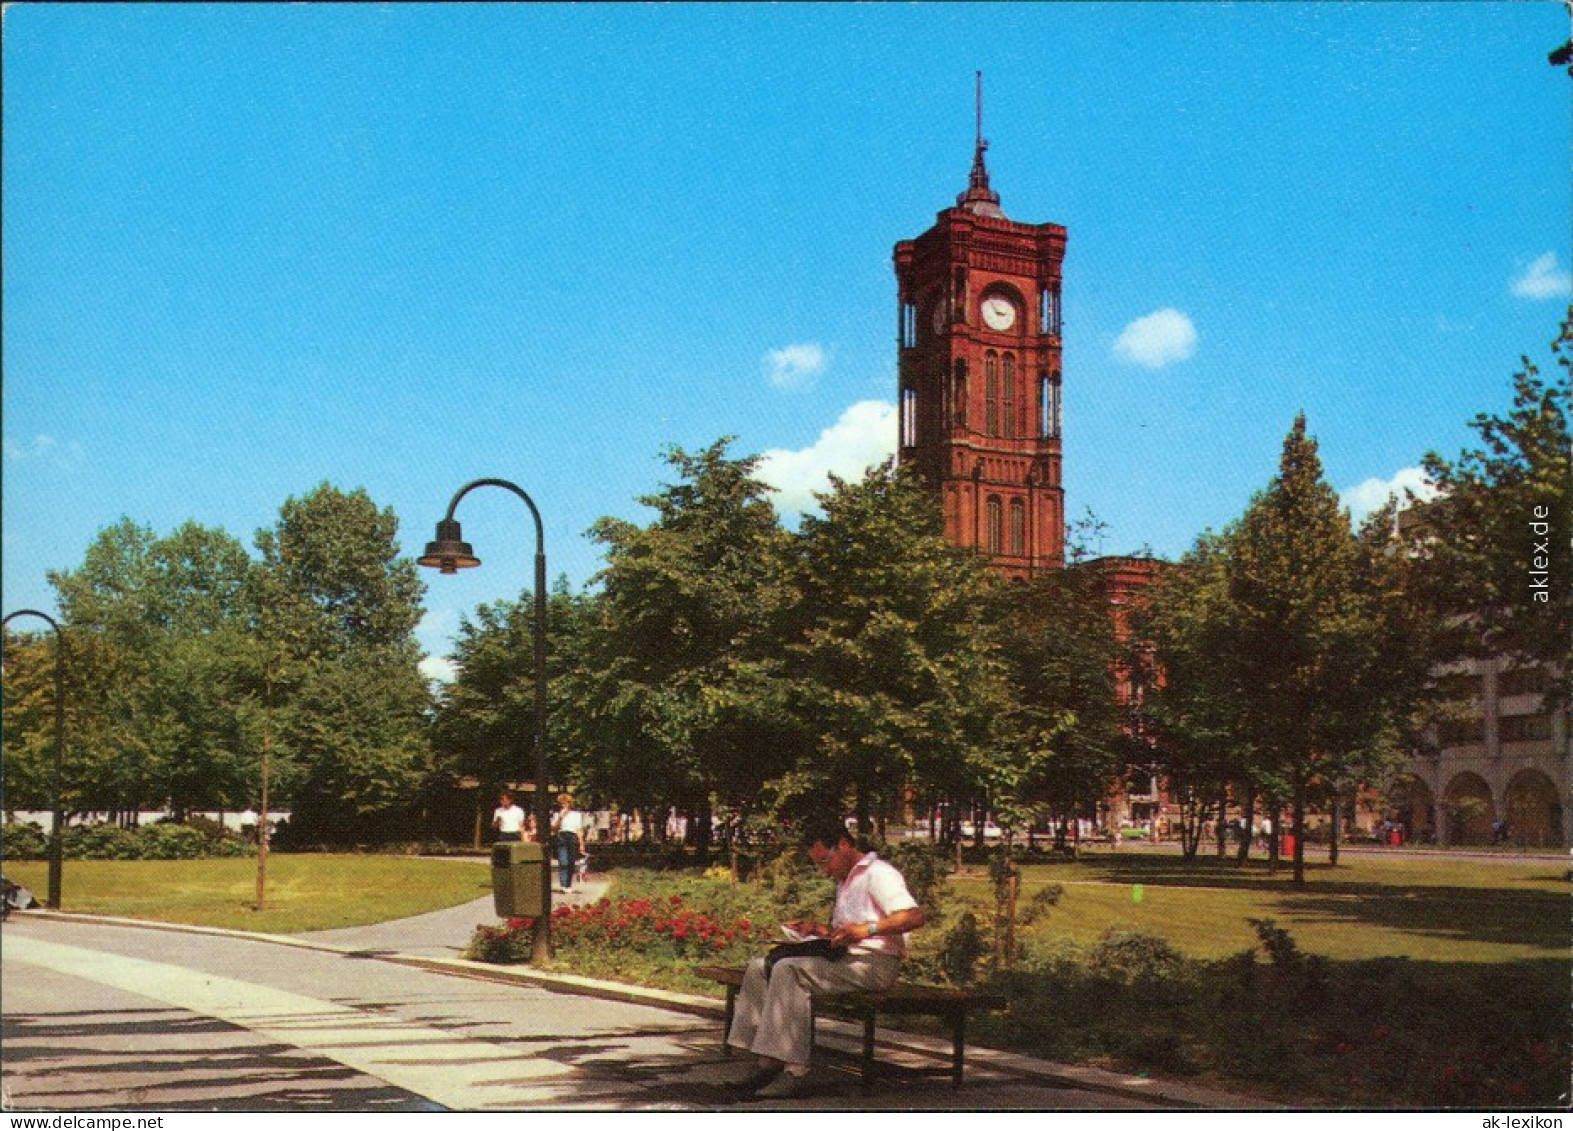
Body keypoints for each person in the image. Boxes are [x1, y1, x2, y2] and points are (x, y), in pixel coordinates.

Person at [725, 815, 925, 1099]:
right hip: (846, 959)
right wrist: (817, 931)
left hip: (875, 965)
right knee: (760, 966)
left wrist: (866, 929)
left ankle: (794, 1071)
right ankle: (765, 1061)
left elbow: (915, 916)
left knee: (789, 970)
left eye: (824, 861)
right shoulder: (845, 881)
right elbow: (847, 932)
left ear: (843, 844)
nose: (823, 870)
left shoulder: (878, 873)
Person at [551, 794, 586, 891]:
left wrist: (581, 844)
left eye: (565, 803)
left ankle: (568, 884)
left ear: (569, 804)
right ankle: (563, 884)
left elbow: (579, 830)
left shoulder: (576, 815)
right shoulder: (557, 814)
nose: (563, 805)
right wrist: (560, 818)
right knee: (563, 861)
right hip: (562, 836)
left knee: (571, 861)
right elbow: (554, 828)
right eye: (561, 804)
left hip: (572, 836)